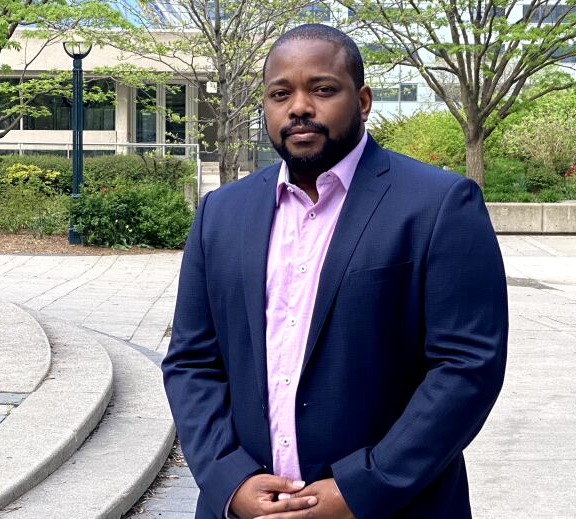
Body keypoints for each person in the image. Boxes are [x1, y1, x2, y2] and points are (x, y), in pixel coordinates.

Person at [162, 23, 508, 519]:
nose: (299, 107)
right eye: (280, 93)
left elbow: (467, 367)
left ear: (363, 100)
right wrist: (228, 479)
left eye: (322, 89)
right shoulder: (221, 213)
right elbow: (192, 360)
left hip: (394, 508)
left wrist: (361, 489)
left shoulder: (438, 205)